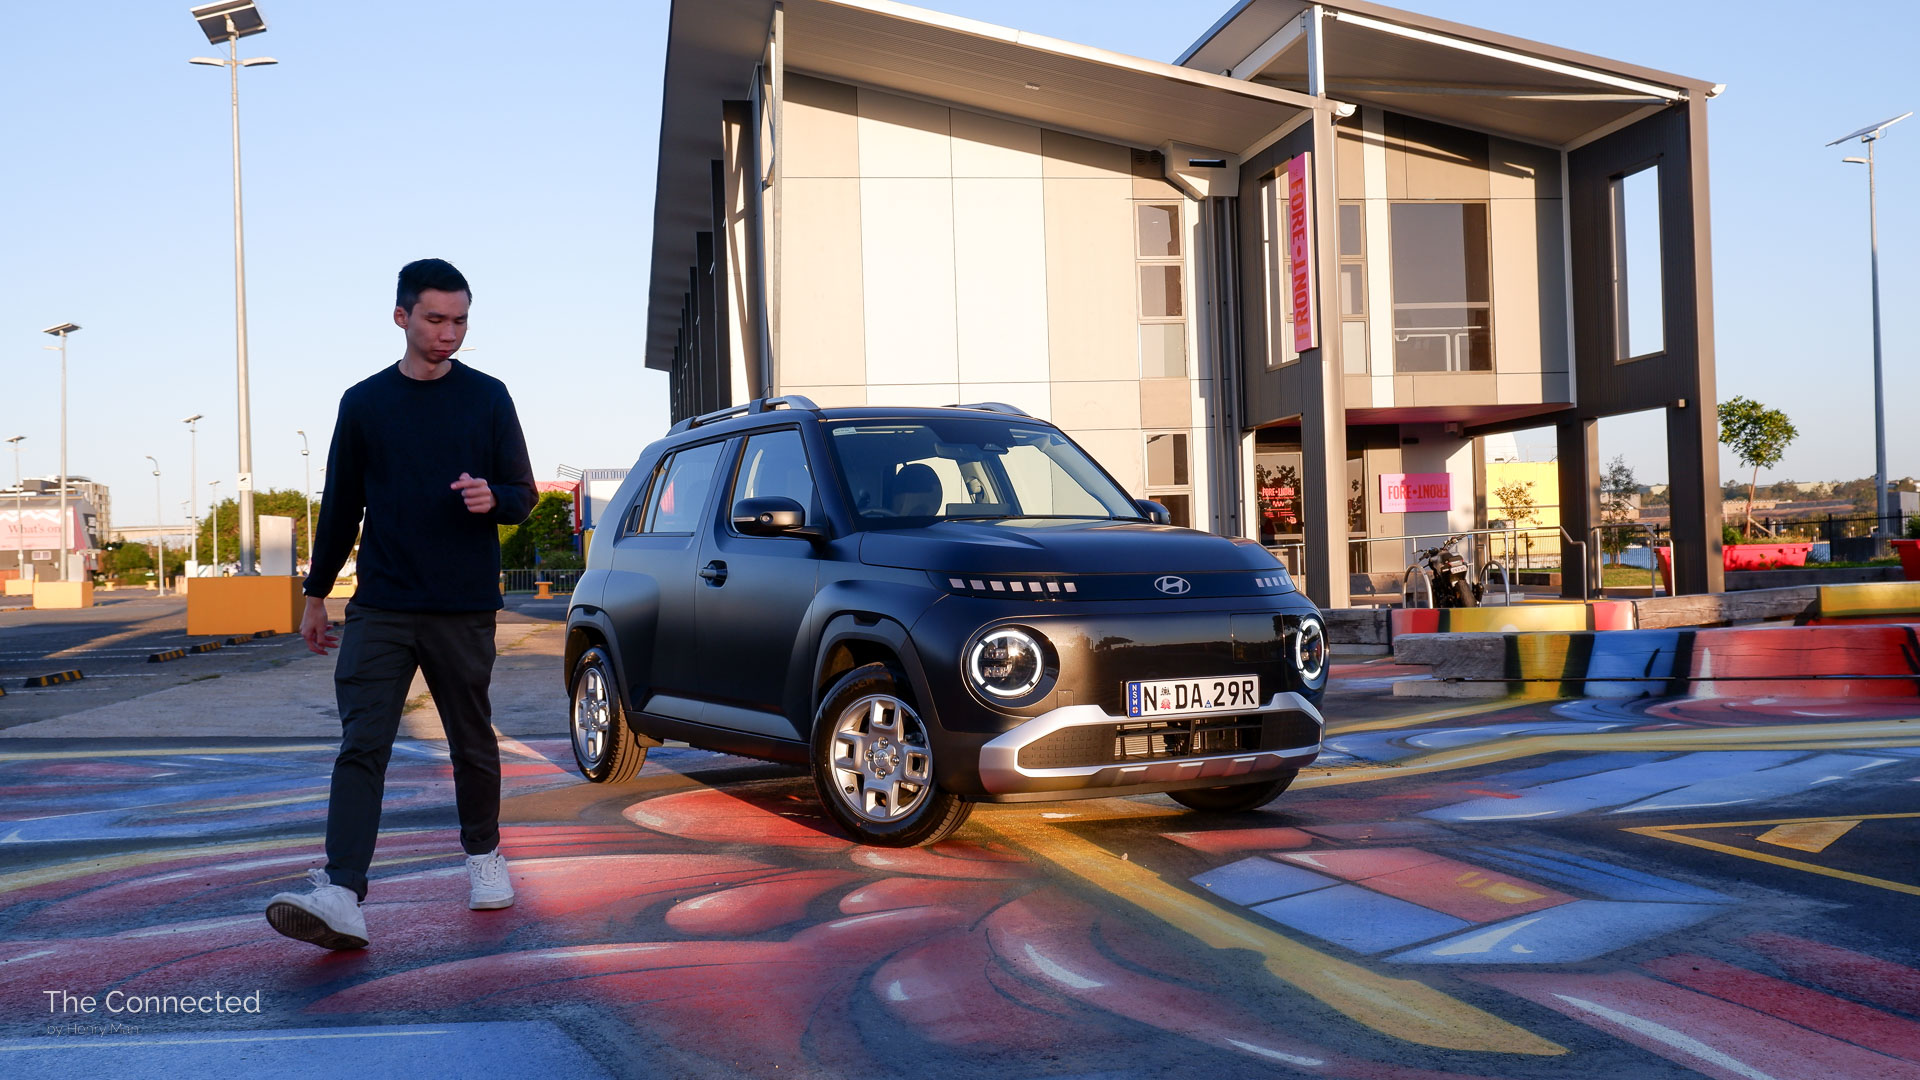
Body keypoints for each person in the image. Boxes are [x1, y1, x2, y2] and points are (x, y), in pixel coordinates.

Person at [265, 258, 536, 950]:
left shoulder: (489, 397)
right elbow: (341, 506)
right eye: (436, 319)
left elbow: (522, 490)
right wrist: (316, 595)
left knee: (471, 742)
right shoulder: (364, 403)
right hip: (382, 604)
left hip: (462, 603)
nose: (450, 333)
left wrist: (494, 500)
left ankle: (483, 858)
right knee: (362, 744)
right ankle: (342, 893)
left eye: (461, 321)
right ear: (402, 318)